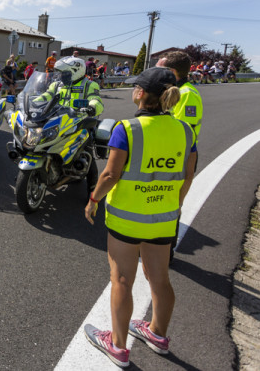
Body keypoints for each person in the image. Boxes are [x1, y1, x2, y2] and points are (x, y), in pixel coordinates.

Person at [83, 67, 196, 367]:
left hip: (127, 220)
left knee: (122, 280)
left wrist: (93, 199)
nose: (133, 91)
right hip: (163, 219)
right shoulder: (185, 131)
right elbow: (188, 174)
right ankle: (158, 334)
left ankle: (118, 346)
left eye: (135, 88)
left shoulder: (127, 129)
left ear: (142, 94)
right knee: (159, 279)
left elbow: (110, 173)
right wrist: (175, 204)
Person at [156, 51, 203, 261]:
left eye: (160, 69)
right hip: (165, 155)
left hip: (178, 157)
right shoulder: (174, 90)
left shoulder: (187, 95)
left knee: (172, 205)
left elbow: (182, 133)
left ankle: (166, 253)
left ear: (172, 72)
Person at [34, 56, 104, 121]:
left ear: (75, 71)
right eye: (59, 73)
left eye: (64, 73)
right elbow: (47, 95)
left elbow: (95, 99)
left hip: (80, 120)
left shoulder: (89, 85)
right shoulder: (56, 85)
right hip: (57, 118)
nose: (60, 75)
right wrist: (34, 102)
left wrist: (92, 108)